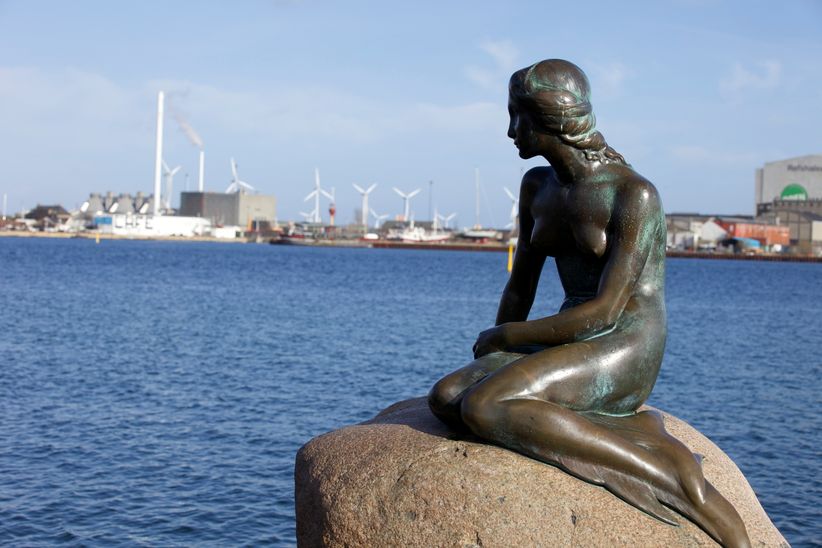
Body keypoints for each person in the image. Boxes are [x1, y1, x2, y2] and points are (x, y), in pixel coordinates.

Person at [428, 59, 749, 548]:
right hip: (569, 331)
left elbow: (605, 311)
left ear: (551, 118)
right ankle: (617, 428)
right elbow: (521, 286)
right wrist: (491, 353)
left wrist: (507, 338)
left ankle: (679, 482)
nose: (511, 130)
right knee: (449, 396)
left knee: (488, 404)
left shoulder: (632, 194)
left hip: (624, 340)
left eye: (519, 116)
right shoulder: (537, 186)